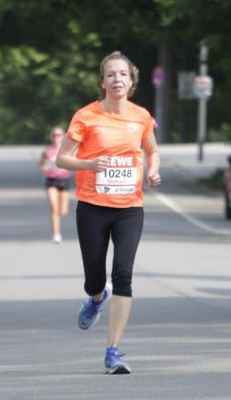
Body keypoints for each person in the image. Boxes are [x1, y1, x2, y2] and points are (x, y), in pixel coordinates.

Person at [56, 51, 161, 374]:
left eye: (123, 74)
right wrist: (89, 164)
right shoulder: (86, 116)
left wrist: (153, 170)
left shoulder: (141, 117)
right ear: (102, 82)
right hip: (92, 206)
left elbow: (152, 150)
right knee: (95, 278)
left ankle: (113, 351)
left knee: (124, 275)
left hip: (130, 208)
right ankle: (95, 298)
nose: (117, 79)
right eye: (111, 74)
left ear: (132, 81)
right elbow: (62, 159)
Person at [39, 126, 71, 243]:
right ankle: (56, 233)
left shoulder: (67, 150)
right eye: (54, 135)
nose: (56, 137)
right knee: (54, 207)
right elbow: (41, 164)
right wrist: (45, 168)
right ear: (50, 137)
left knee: (63, 211)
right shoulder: (46, 151)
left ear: (63, 137)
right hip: (51, 180)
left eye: (59, 135)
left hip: (64, 180)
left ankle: (57, 229)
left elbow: (73, 163)